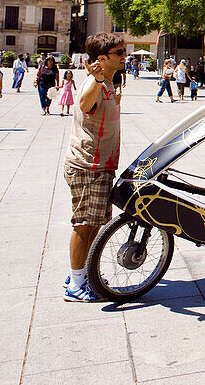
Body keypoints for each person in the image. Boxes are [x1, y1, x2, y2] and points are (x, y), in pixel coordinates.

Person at [63, 32, 126, 302]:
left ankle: (84, 273)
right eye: (119, 53)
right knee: (85, 224)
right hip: (88, 165)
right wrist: (98, 80)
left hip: (101, 165)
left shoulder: (109, 82)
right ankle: (76, 285)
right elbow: (85, 104)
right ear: (102, 58)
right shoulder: (96, 82)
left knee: (95, 223)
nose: (125, 57)